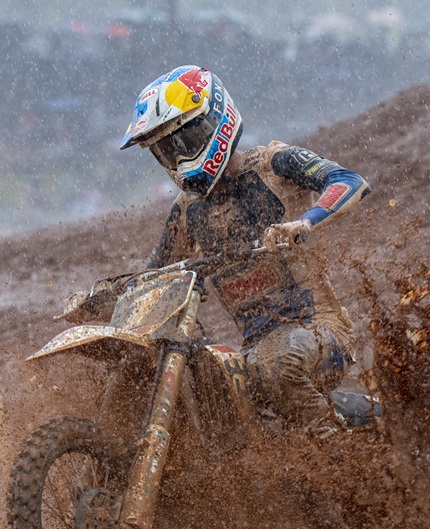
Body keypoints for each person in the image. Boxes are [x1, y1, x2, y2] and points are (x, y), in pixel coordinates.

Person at [120, 65, 371, 438]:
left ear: (213, 122)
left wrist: (304, 222)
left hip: (321, 330)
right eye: (165, 150)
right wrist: (116, 294)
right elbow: (154, 274)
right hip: (255, 349)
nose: (177, 156)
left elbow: (349, 181)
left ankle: (332, 448)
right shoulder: (187, 209)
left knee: (278, 363)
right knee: (207, 385)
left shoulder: (274, 164)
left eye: (183, 141)